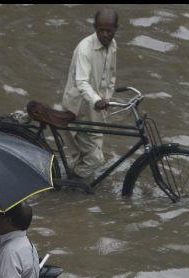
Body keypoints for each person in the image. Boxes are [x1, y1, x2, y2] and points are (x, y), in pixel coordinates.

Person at [60, 8, 119, 184]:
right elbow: (81, 82)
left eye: (109, 30)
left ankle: (77, 182)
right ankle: (71, 182)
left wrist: (107, 97)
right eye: (101, 30)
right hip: (79, 109)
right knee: (95, 159)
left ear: (116, 28)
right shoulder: (85, 49)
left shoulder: (113, 46)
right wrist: (97, 101)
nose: (105, 34)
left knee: (84, 154)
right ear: (95, 27)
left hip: (97, 109)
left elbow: (111, 76)